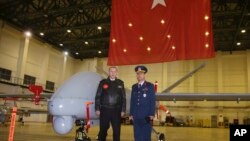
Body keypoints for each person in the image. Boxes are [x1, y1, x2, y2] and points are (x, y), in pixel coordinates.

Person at [95, 66, 126, 141]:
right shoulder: (103, 83)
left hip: (116, 111)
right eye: (111, 71)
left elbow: (123, 98)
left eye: (114, 71)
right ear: (109, 72)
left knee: (116, 131)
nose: (113, 73)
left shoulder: (120, 83)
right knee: (103, 130)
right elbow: (98, 96)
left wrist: (123, 110)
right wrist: (97, 108)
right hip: (105, 110)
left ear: (116, 73)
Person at [129, 65, 156, 141]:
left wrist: (151, 114)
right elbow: (132, 101)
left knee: (146, 136)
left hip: (146, 116)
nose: (139, 75)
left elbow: (152, 100)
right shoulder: (134, 87)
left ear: (144, 74)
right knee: (137, 136)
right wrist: (131, 114)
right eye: (138, 73)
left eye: (141, 73)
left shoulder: (150, 86)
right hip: (136, 116)